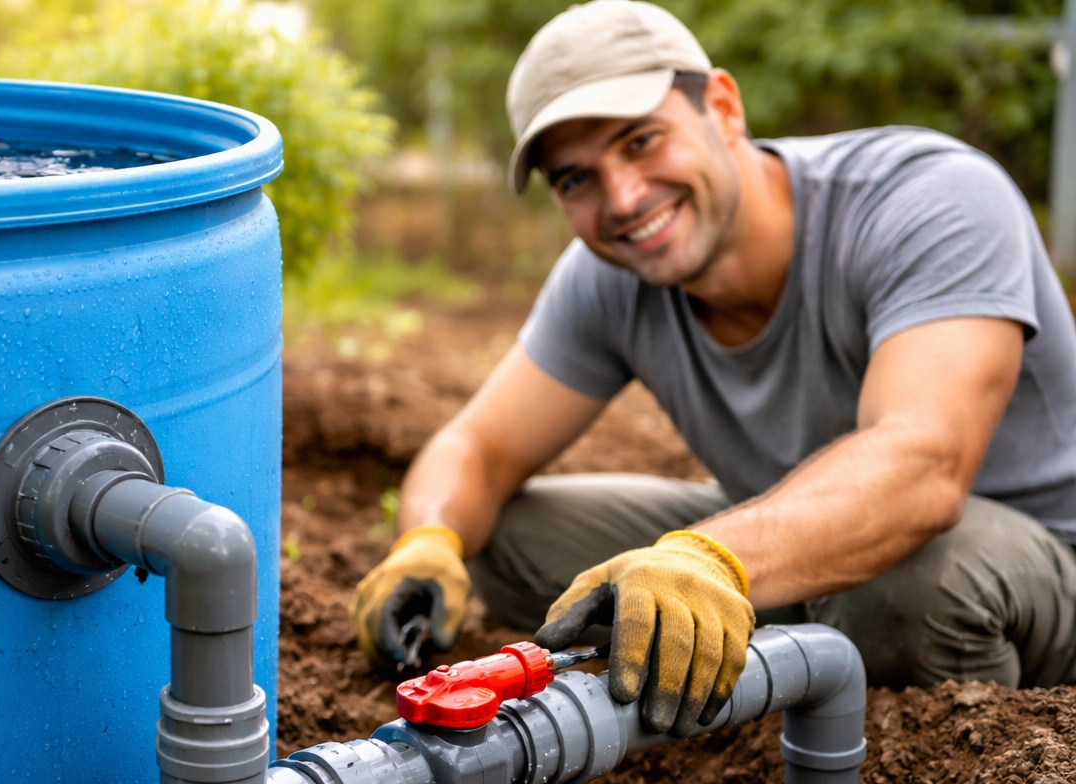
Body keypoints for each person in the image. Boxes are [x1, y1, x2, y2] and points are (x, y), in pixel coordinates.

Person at [349, 0, 1076, 735]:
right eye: (576, 180)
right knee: (500, 536)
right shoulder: (610, 276)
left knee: (913, 584)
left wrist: (710, 558)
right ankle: (773, 639)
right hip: (806, 554)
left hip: (1025, 572)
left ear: (723, 107)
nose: (624, 199)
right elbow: (477, 449)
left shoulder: (928, 199)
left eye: (640, 141)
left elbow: (925, 464)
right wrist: (427, 541)